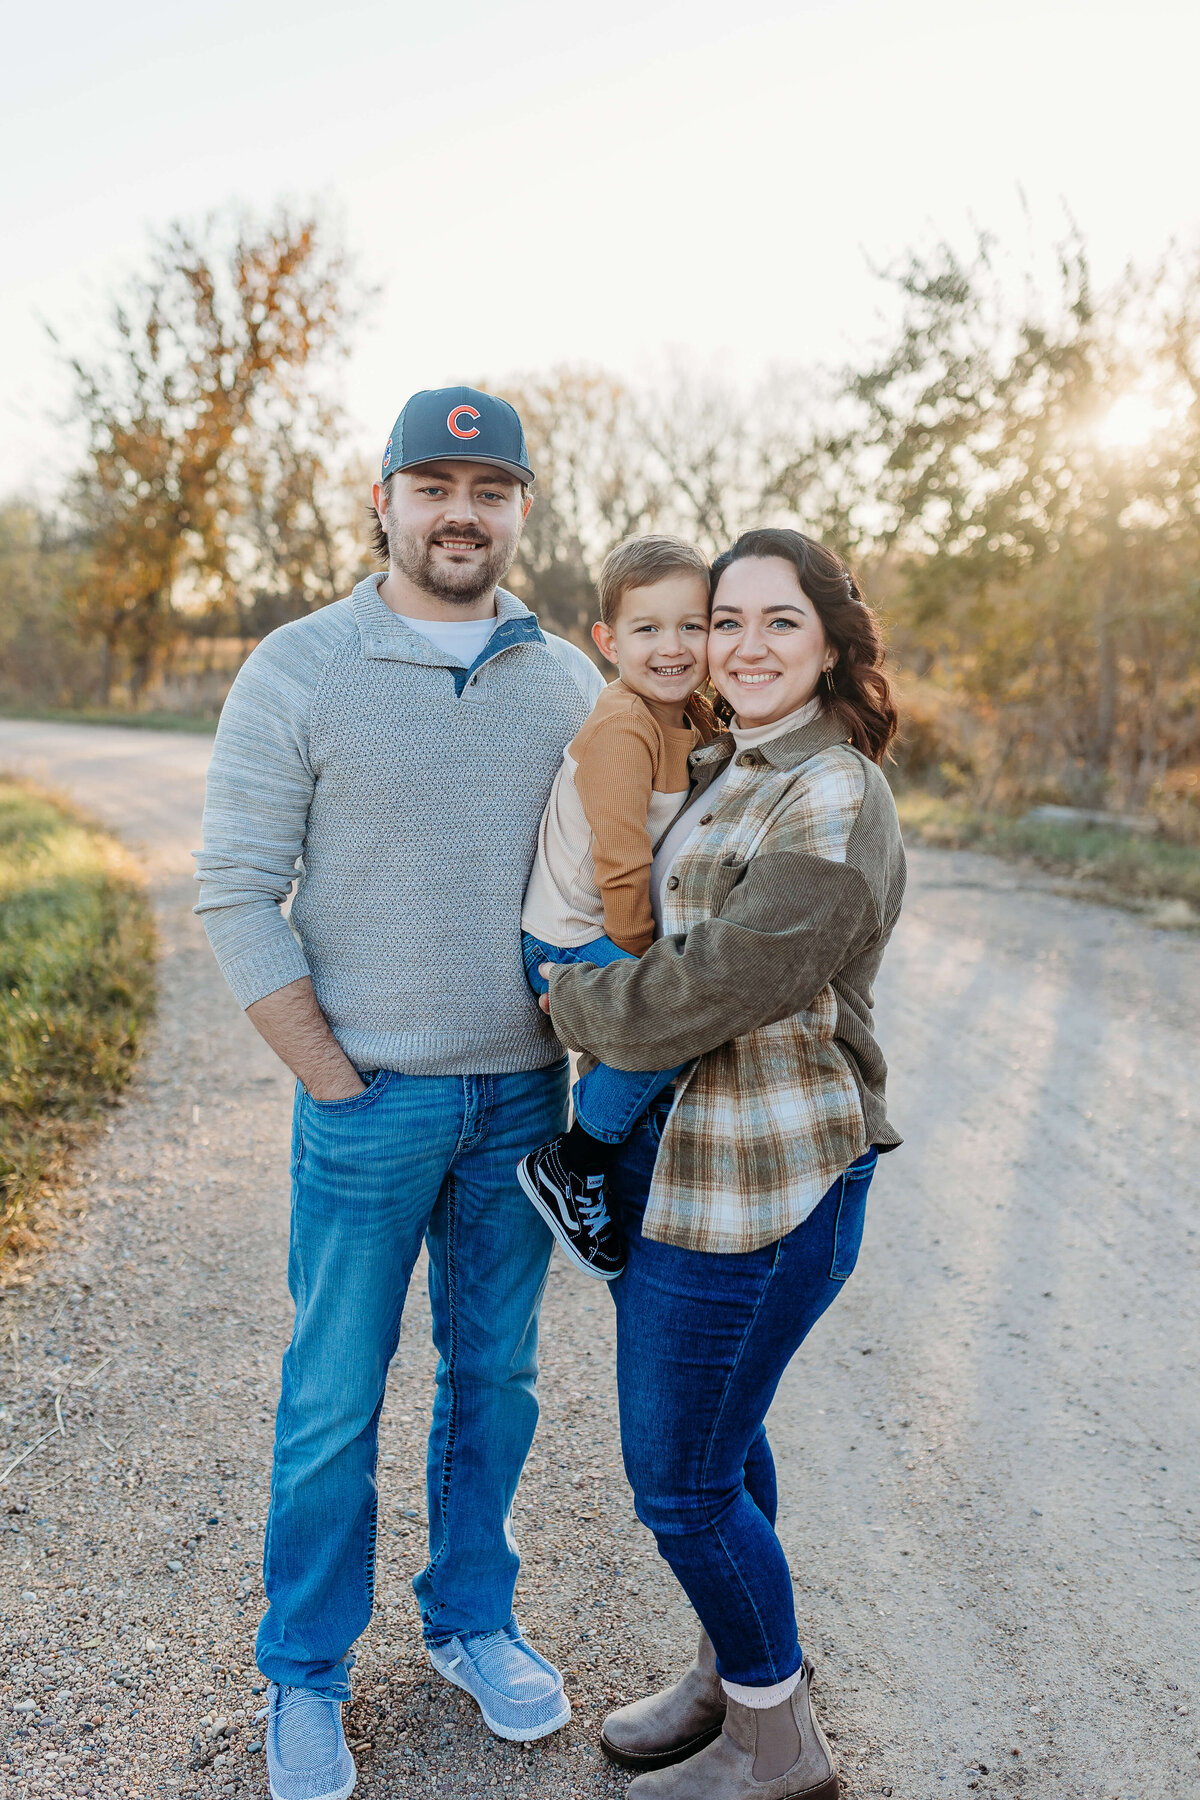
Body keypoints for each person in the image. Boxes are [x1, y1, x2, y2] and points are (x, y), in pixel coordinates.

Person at [194, 386, 604, 1800]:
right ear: (381, 501)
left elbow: (620, 879)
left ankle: (470, 1621)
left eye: (487, 491)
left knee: (495, 1381)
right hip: (368, 1104)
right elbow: (238, 892)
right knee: (330, 1397)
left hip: (522, 1104)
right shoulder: (299, 667)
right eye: (431, 484)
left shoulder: (569, 681)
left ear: (519, 512)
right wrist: (332, 1075)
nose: (459, 512)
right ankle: (304, 1674)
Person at [537, 528, 905, 1800]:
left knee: (682, 1484)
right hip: (677, 1170)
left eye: (778, 623)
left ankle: (777, 1744)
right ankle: (729, 1670)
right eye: (726, 620)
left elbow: (719, 988)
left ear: (831, 644)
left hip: (764, 1186)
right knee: (725, 1447)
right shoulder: (726, 759)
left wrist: (572, 1004)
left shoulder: (834, 790)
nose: (742, 647)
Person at [517, 534, 716, 1280]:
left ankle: (603, 1106)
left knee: (682, 1007)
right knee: (681, 1016)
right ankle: (575, 1160)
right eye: (647, 629)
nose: (672, 647)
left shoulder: (692, 717)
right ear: (608, 641)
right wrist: (643, 983)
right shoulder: (622, 724)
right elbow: (623, 865)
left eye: (691, 625)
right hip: (565, 939)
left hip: (606, 931)